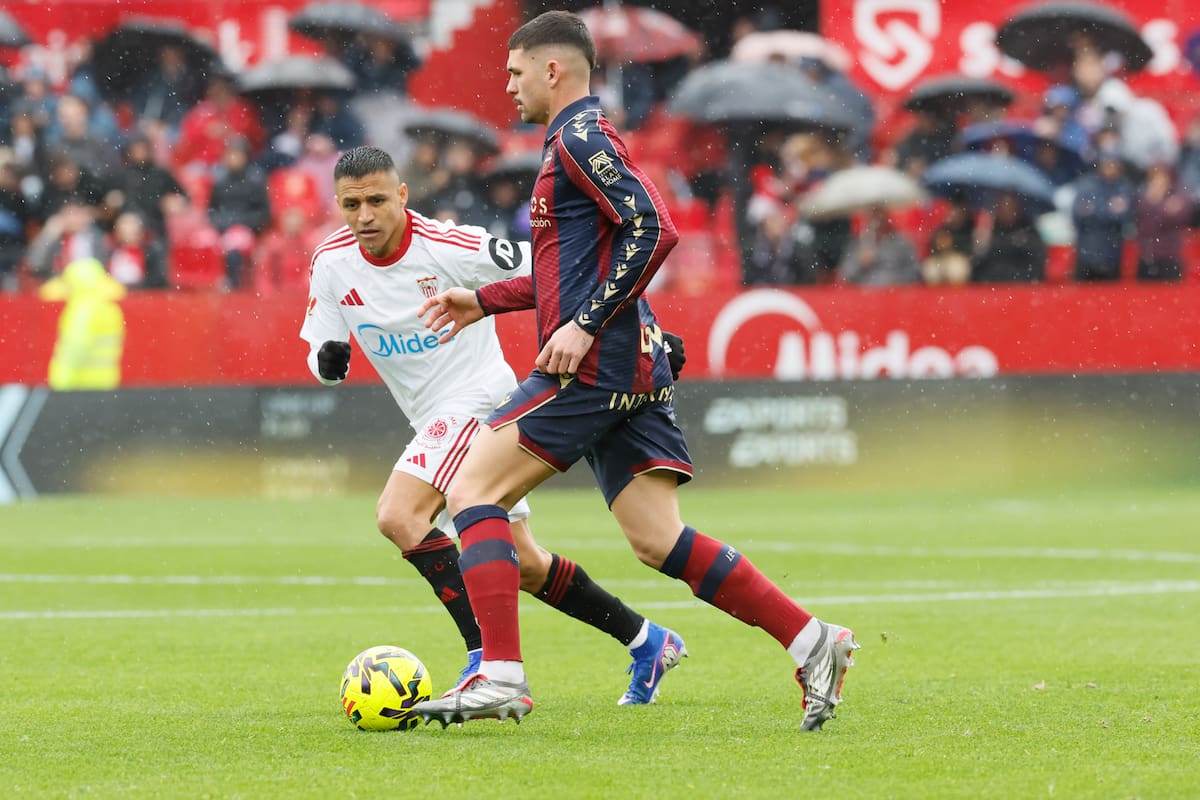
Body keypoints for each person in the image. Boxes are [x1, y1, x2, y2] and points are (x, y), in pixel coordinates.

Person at [413, 11, 859, 731]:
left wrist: (585, 325)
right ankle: (813, 641)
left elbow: (655, 226)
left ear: (553, 70)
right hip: (632, 367)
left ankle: (498, 675)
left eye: (516, 71)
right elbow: (567, 271)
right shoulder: (571, 142)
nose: (508, 85)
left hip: (594, 366)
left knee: (472, 489)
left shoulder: (581, 138)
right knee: (658, 540)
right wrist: (484, 300)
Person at [301, 145, 689, 705]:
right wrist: (328, 365)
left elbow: (562, 273)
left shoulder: (450, 243)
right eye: (351, 204)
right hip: (430, 415)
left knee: (400, 514)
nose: (365, 216)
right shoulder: (331, 262)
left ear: (402, 195)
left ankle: (486, 661)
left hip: (479, 399)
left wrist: (644, 332)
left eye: (377, 200)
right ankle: (647, 639)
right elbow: (321, 342)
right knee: (526, 565)